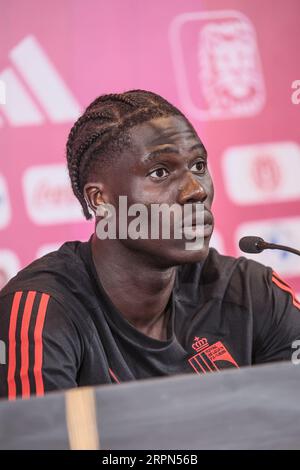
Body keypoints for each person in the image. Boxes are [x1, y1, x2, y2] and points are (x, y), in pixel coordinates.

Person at [0, 90, 300, 400]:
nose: (195, 190)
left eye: (198, 166)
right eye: (160, 172)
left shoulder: (251, 291)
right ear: (100, 200)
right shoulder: (42, 311)